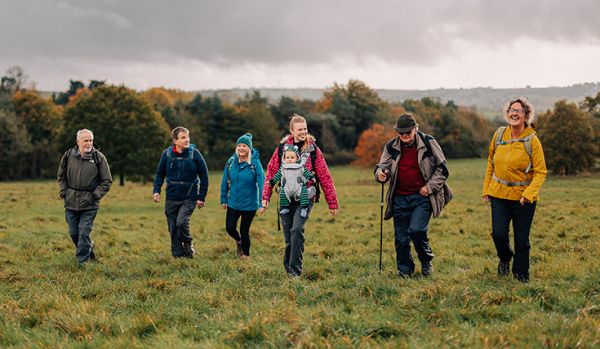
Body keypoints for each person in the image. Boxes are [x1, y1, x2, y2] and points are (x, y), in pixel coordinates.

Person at [374, 113, 453, 278]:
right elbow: (383, 166)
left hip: (422, 197)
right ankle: (405, 271)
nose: (404, 136)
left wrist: (429, 187)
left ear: (415, 129)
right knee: (401, 239)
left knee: (417, 231)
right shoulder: (391, 146)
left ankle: (426, 260)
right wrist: (382, 173)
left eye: (407, 133)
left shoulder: (429, 143)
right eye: (401, 133)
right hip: (399, 198)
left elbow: (443, 169)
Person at [262, 114, 338, 277]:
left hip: (306, 196)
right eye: (300, 129)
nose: (303, 132)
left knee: (297, 230)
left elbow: (325, 176)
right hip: (285, 197)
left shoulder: (313, 150)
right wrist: (265, 197)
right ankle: (289, 269)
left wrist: (332, 203)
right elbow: (271, 173)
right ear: (292, 131)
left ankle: (295, 272)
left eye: (305, 129)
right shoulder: (282, 149)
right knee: (289, 238)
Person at [482, 97, 546, 282]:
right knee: (498, 233)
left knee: (521, 239)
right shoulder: (500, 134)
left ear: (526, 115)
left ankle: (521, 276)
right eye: (512, 109)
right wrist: (486, 188)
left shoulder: (532, 141)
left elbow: (541, 172)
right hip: (499, 194)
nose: (514, 113)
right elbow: (490, 163)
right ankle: (504, 257)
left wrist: (528, 193)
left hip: (523, 198)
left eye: (519, 110)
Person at [57, 129, 112, 265]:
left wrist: (96, 195)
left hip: (90, 204)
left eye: (91, 140)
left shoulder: (99, 157)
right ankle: (89, 248)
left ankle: (82, 263)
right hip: (70, 201)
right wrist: (64, 191)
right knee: (74, 233)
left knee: (83, 233)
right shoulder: (68, 155)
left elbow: (107, 180)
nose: (89, 143)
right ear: (78, 141)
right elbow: (61, 176)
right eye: (86, 140)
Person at [153, 126, 209, 258]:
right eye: (183, 137)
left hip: (189, 197)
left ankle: (188, 244)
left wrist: (201, 197)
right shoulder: (167, 154)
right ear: (175, 141)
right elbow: (160, 174)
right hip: (171, 197)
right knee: (173, 228)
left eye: (188, 137)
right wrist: (156, 190)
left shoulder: (195, 154)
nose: (187, 140)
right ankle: (178, 256)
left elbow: (204, 176)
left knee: (181, 223)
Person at [220, 133, 265, 259]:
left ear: (249, 148)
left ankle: (246, 255)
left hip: (249, 204)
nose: (241, 148)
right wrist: (223, 198)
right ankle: (238, 240)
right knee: (229, 228)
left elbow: (262, 183)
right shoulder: (231, 162)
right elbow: (225, 180)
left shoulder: (254, 164)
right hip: (233, 202)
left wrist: (263, 202)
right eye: (239, 145)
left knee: (244, 230)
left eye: (244, 145)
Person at [269, 144, 315, 218]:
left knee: (303, 194)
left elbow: (306, 172)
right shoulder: (283, 168)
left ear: (297, 158)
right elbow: (277, 176)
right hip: (287, 188)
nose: (289, 159)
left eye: (292, 157)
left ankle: (304, 208)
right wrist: (272, 181)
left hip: (298, 187)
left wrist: (311, 177)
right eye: (287, 158)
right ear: (284, 158)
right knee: (283, 195)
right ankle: (285, 208)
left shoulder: (300, 167)